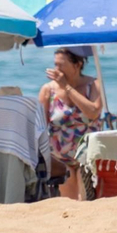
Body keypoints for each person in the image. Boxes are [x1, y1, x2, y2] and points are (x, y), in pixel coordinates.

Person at [37, 46, 105, 200]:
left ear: (78, 64)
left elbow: (93, 112)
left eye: (61, 65)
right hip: (59, 158)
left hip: (88, 156)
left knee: (86, 200)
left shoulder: (93, 85)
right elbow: (39, 126)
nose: (57, 70)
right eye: (55, 64)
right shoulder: (48, 91)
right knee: (67, 203)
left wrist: (67, 88)